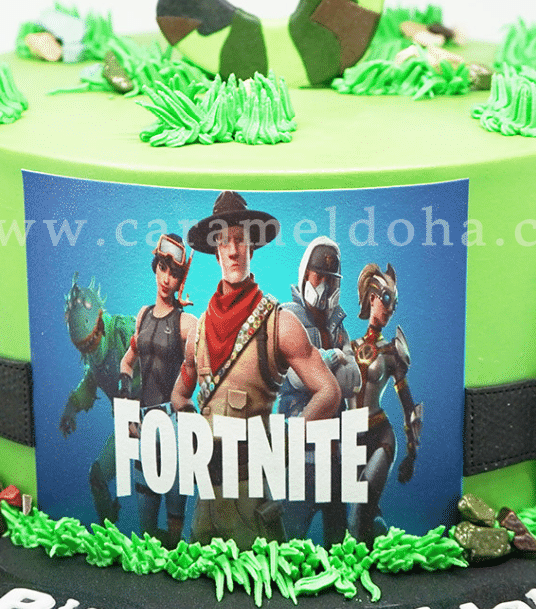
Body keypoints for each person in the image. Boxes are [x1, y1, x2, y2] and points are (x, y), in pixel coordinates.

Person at [171, 191, 341, 547]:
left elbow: (329, 391)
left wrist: (286, 441)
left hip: (251, 493)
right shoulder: (198, 331)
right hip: (205, 497)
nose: (233, 250)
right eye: (224, 241)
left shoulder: (280, 323)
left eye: (240, 239)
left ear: (252, 246)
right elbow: (179, 396)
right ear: (216, 250)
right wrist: (192, 431)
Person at [277, 237, 359, 545]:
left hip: (336, 450)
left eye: (330, 280)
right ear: (305, 276)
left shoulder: (337, 324)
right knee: (290, 536)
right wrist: (332, 360)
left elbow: (353, 380)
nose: (323, 286)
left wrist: (324, 364)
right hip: (301, 451)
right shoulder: (288, 318)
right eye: (317, 277)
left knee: (337, 537)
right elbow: (295, 378)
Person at [117, 233, 196, 545]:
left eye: (174, 274)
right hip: (144, 423)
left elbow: (203, 364)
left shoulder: (187, 323)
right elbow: (127, 362)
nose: (166, 279)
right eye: (163, 268)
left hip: (172, 423)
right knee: (146, 522)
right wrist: (127, 409)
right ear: (155, 268)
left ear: (181, 280)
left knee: (175, 517)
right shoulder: (143, 315)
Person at [345, 263, 423, 543]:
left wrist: (411, 453)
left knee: (359, 510)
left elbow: (409, 406)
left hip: (380, 436)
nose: (390, 309)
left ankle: (367, 559)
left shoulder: (392, 353)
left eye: (395, 303)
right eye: (387, 299)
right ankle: (385, 545)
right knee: (367, 515)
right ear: (372, 297)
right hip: (350, 439)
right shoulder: (348, 347)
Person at [58, 274, 136, 524]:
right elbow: (90, 381)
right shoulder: (93, 357)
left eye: (92, 341)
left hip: (160, 419)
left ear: (100, 323)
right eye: (84, 347)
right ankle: (107, 529)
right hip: (128, 426)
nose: (91, 350)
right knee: (97, 477)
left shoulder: (124, 331)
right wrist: (71, 408)